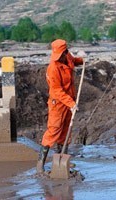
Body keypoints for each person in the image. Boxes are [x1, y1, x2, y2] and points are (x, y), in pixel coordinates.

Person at [36, 39, 83, 173]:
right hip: (58, 104)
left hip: (68, 101)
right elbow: (56, 91)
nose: (59, 57)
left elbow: (74, 61)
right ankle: (40, 164)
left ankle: (62, 161)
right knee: (53, 131)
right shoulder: (53, 68)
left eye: (61, 54)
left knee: (66, 131)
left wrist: (82, 60)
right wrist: (71, 104)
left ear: (65, 52)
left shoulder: (67, 57)